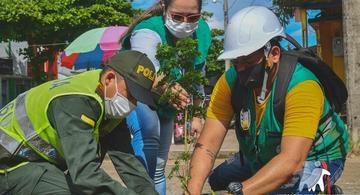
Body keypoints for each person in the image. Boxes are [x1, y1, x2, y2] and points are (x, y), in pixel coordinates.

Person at [187, 6, 349, 195]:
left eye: (247, 61)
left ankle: (326, 190)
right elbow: (207, 146)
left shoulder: (302, 86)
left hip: (316, 157)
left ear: (273, 54)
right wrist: (192, 190)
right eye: (236, 61)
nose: (240, 69)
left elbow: (291, 161)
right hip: (266, 154)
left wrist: (238, 192)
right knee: (218, 179)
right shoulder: (230, 83)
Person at [0, 50, 159, 195]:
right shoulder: (76, 102)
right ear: (109, 78)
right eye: (131, 95)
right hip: (9, 168)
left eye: (136, 99)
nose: (133, 104)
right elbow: (86, 176)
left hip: (32, 165)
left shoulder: (104, 98)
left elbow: (128, 162)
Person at [121, 0, 211, 194]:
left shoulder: (202, 32)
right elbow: (143, 68)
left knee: (160, 168)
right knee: (149, 153)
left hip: (167, 104)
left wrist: (196, 116)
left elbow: (198, 75)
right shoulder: (147, 31)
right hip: (140, 96)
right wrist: (168, 87)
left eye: (193, 17)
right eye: (177, 16)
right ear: (164, 6)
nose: (185, 23)